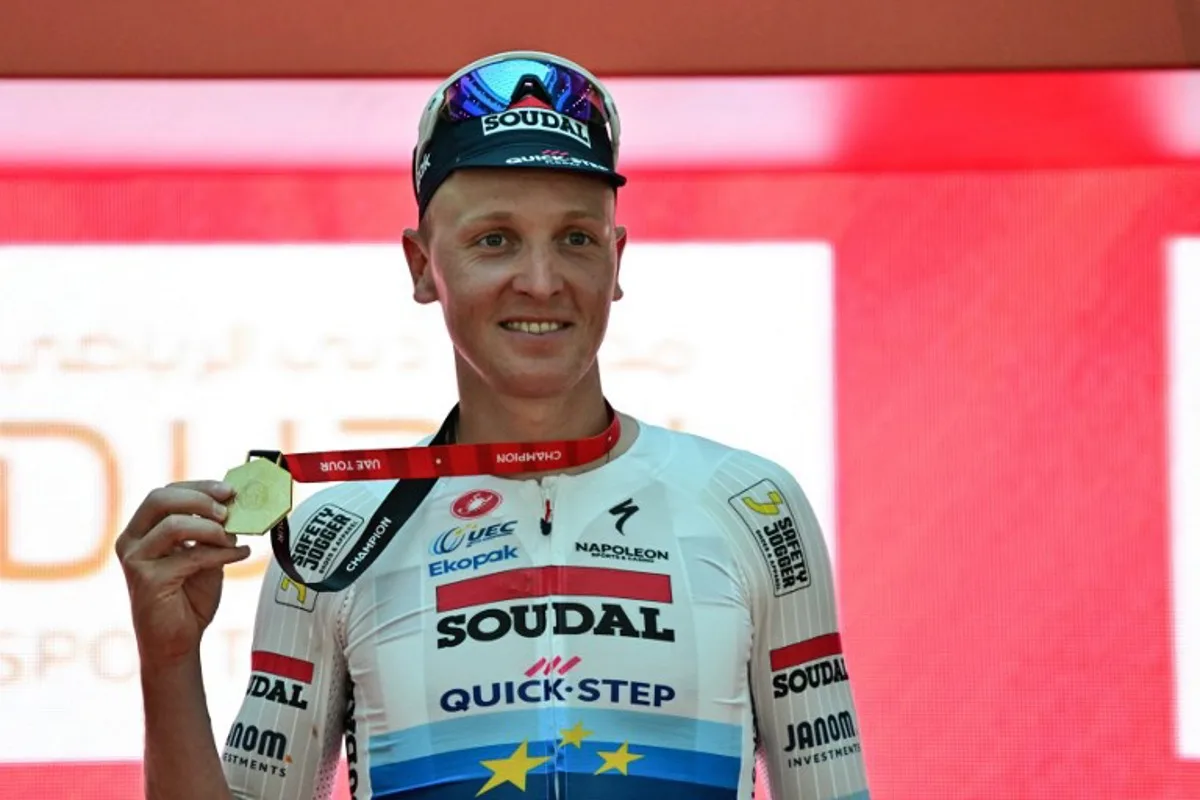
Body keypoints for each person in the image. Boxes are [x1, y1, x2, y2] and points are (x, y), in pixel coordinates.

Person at [115, 50, 871, 800]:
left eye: (575, 238)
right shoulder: (331, 538)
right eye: (494, 240)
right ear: (421, 266)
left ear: (616, 260)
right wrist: (168, 663)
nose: (540, 281)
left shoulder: (750, 504)